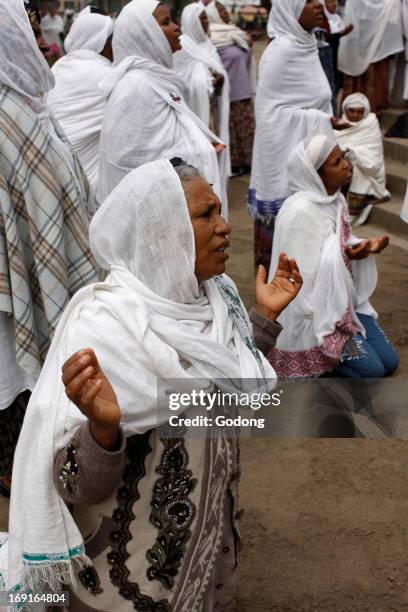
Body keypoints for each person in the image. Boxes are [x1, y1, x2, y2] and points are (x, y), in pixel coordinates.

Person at [7, 158, 303, 610]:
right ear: (160, 232)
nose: (226, 227)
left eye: (220, 211)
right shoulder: (106, 327)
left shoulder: (217, 301)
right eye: (206, 215)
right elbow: (71, 485)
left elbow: (229, 395)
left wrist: (263, 321)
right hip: (128, 581)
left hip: (207, 547)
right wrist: (102, 432)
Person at [0, 0, 98, 496]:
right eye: (28, 31)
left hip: (30, 275)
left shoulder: (28, 104)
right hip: (17, 285)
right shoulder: (11, 114)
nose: (41, 42)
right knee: (18, 387)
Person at [267, 135, 398, 379]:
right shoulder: (299, 212)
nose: (347, 165)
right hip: (314, 315)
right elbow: (300, 281)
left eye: (344, 157)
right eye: (337, 162)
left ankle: (347, 338)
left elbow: (338, 244)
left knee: (390, 361)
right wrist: (345, 253)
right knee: (373, 371)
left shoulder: (335, 200)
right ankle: (320, 361)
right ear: (316, 174)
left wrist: (363, 247)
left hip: (341, 304)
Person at [98, 0, 228, 214]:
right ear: (145, 34)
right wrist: (201, 150)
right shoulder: (136, 87)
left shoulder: (155, 79)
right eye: (166, 22)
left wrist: (199, 142)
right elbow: (133, 164)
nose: (177, 27)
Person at [249, 0, 348, 274]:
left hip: (313, 158)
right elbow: (270, 118)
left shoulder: (308, 45)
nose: (318, 4)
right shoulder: (280, 52)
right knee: (284, 257)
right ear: (290, 8)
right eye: (308, 1)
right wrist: (321, 120)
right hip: (284, 162)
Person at [47, 7, 114, 190]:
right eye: (111, 38)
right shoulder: (108, 76)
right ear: (101, 41)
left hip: (53, 167)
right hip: (88, 179)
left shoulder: (58, 66)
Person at [173, 3, 231, 182]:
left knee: (214, 148)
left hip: (212, 108)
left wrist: (218, 78)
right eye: (202, 18)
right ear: (191, 21)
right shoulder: (181, 46)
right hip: (193, 109)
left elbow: (218, 71)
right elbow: (178, 80)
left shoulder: (208, 45)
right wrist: (204, 81)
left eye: (206, 17)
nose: (206, 22)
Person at [206, 0, 255, 177]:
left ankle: (247, 163)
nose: (225, 13)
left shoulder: (236, 33)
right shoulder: (211, 37)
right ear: (213, 14)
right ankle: (233, 165)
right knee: (231, 130)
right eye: (221, 11)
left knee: (246, 128)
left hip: (243, 89)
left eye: (225, 10)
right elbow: (208, 64)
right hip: (226, 94)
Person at [334, 93, 390, 227]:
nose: (355, 115)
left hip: (368, 170)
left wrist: (352, 152)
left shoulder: (371, 124)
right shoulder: (339, 126)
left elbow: (373, 159)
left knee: (354, 170)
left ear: (365, 112)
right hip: (344, 163)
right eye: (351, 111)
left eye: (360, 112)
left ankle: (349, 211)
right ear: (345, 110)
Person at [338, 0, 404, 114]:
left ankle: (365, 113)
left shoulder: (390, 2)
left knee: (370, 80)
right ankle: (357, 112)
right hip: (366, 47)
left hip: (375, 49)